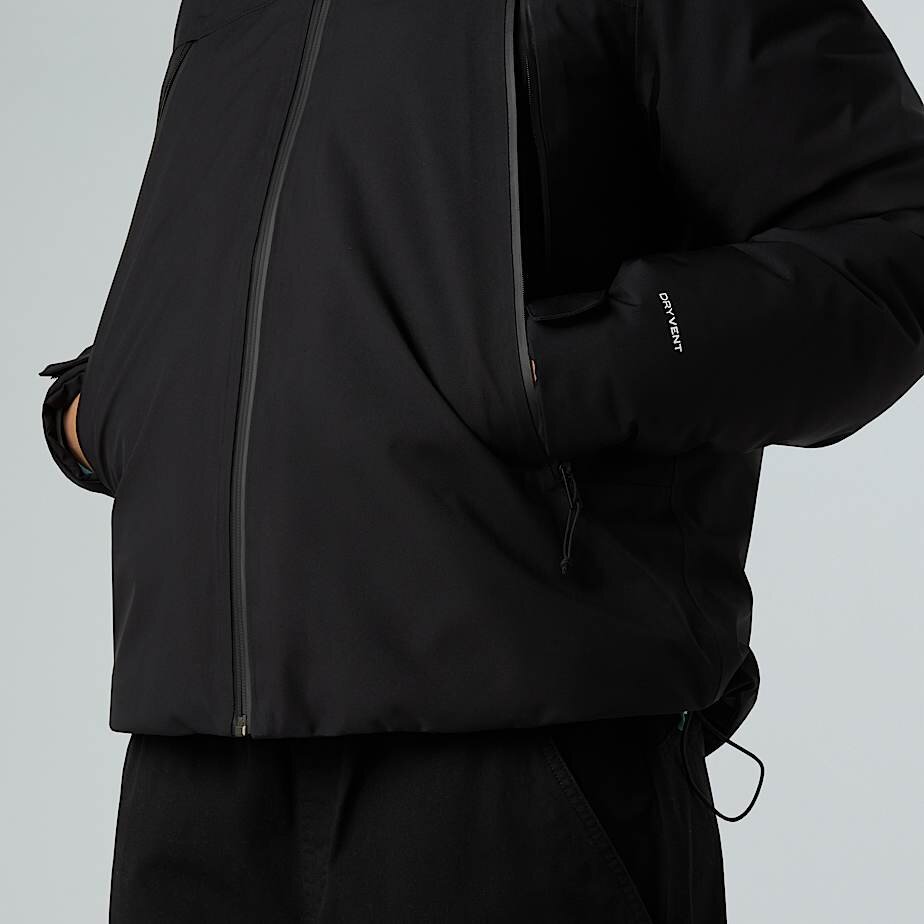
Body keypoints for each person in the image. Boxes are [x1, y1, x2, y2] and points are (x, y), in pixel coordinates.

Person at [38, 0, 924, 921]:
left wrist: (564, 370)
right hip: (193, 764)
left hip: (515, 751)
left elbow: (890, 235)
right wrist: (112, 401)